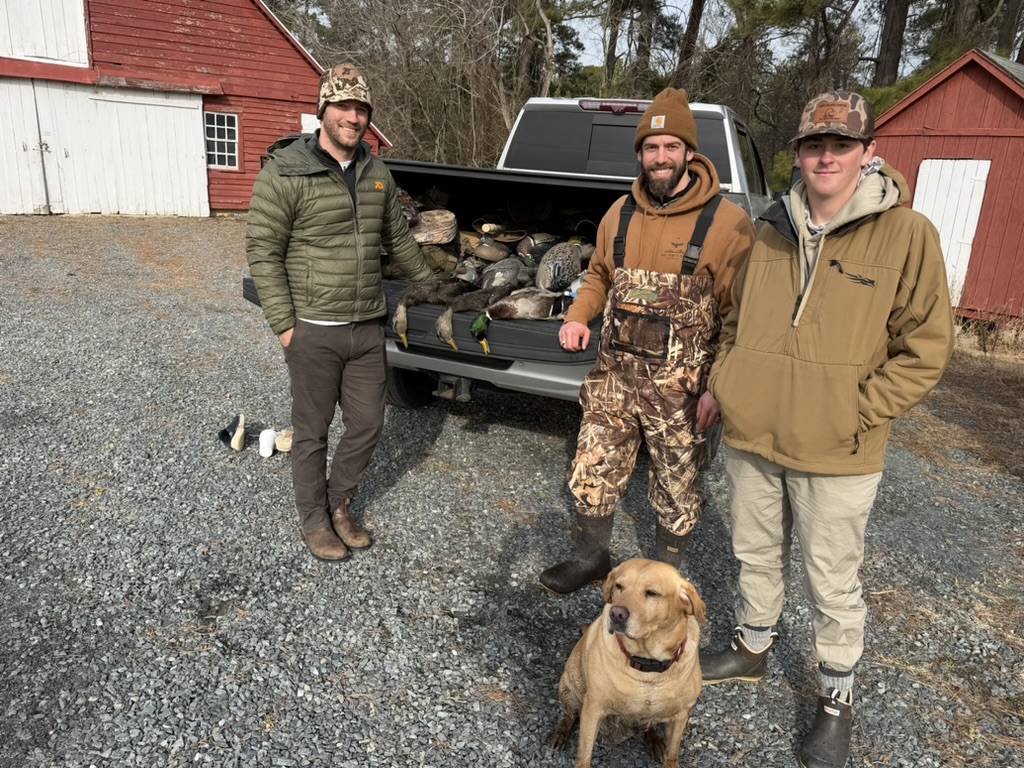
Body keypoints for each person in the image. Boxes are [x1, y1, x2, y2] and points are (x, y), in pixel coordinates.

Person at [700, 90, 955, 768]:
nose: (826, 156)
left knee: (832, 580)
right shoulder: (769, 227)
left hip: (837, 450)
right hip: (753, 436)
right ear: (799, 154)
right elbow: (735, 322)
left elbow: (925, 349)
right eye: (814, 144)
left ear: (869, 153)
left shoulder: (908, 234)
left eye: (841, 145)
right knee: (754, 552)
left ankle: (835, 697)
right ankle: (753, 648)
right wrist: (727, 382)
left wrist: (855, 409)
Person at [539, 87, 756, 595]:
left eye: (671, 147)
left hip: (680, 391)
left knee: (677, 484)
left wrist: (717, 387)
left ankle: (664, 578)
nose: (661, 157)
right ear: (639, 153)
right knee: (593, 464)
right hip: (614, 379)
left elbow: (739, 317)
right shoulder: (620, 213)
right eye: (651, 147)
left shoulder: (728, 225)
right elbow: (597, 276)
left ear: (689, 153)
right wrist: (577, 316)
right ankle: (591, 557)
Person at [245, 64, 437, 562]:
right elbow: (263, 251)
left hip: (366, 328)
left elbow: (396, 238)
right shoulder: (284, 171)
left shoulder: (377, 173)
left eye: (361, 109)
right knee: (312, 432)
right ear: (322, 112)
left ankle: (339, 502)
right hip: (312, 328)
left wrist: (432, 284)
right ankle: (313, 520)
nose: (353, 117)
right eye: (343, 107)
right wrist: (286, 327)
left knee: (368, 423)